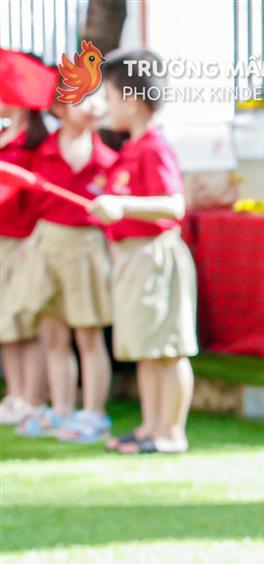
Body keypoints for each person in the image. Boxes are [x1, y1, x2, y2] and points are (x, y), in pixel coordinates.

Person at [91, 48, 195, 454]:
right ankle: (150, 428)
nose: (106, 106)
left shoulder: (154, 147)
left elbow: (174, 205)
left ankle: (171, 432)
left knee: (168, 349)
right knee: (146, 348)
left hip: (156, 256)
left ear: (133, 100)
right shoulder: (130, 149)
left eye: (110, 96)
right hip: (132, 258)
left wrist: (123, 207)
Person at [3, 80, 114, 443]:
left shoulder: (108, 160)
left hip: (87, 248)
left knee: (89, 335)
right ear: (59, 109)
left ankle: (93, 412)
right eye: (85, 99)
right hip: (47, 246)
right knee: (53, 335)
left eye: (99, 98)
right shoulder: (42, 152)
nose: (95, 106)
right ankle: (62, 410)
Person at [0, 85, 50, 427]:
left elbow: (39, 196)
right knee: (6, 323)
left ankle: (33, 398)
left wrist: (33, 237)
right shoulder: (4, 137)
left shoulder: (35, 144)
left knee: (26, 322)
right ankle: (15, 394)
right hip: (2, 240)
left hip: (24, 242)